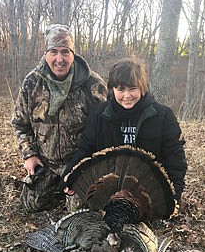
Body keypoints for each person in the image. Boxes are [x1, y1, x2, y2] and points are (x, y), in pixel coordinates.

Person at [61, 57, 187, 204]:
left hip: (148, 192)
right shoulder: (100, 113)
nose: (127, 96)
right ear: (112, 89)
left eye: (132, 89)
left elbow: (175, 159)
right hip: (108, 189)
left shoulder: (163, 116)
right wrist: (69, 176)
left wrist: (174, 196)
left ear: (142, 86)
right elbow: (86, 148)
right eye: (120, 89)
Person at [11, 24, 107, 212]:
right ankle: (55, 186)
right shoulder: (32, 83)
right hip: (46, 162)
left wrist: (93, 167)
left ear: (73, 54)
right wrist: (30, 155)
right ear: (46, 53)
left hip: (80, 164)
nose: (59, 59)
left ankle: (76, 188)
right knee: (30, 205)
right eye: (53, 51)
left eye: (65, 52)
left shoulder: (93, 85)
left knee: (78, 212)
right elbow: (20, 124)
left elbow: (108, 128)